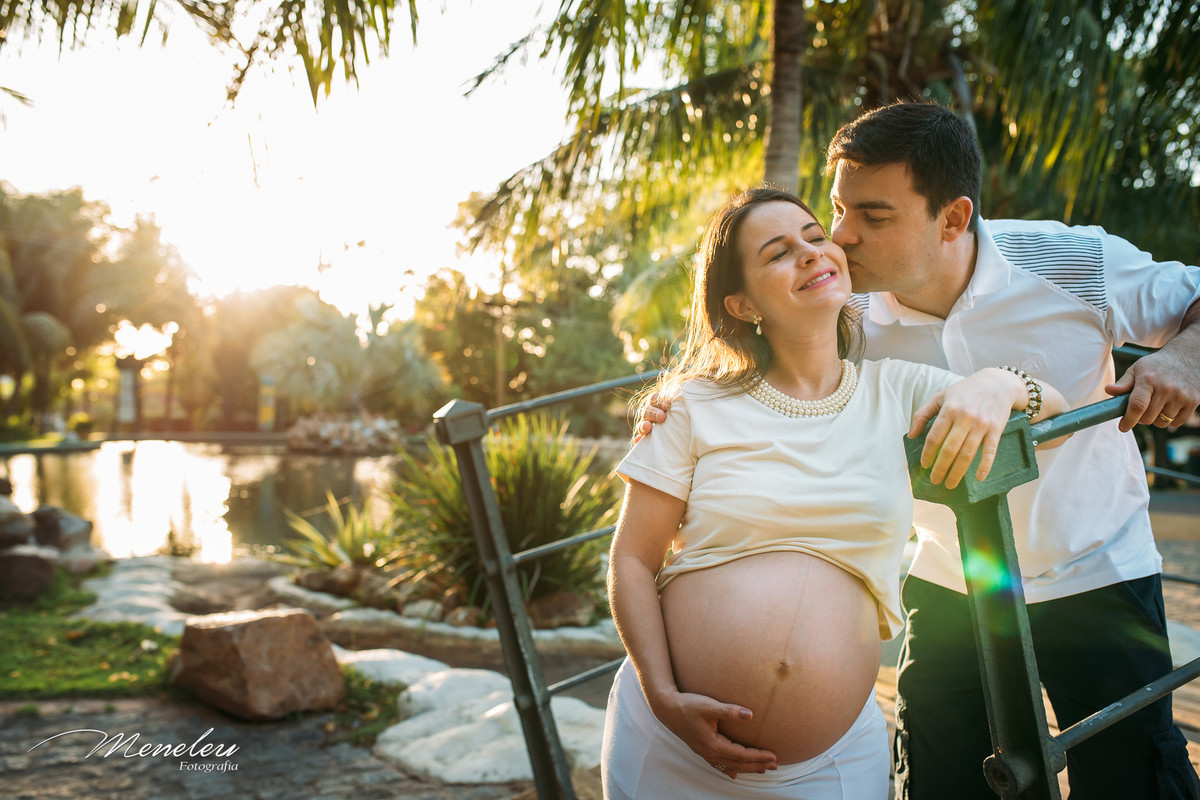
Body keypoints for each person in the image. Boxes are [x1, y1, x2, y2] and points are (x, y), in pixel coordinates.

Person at [641, 100, 1200, 799]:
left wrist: (1186, 356)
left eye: (873, 217)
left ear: (954, 219)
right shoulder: (846, 308)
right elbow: (765, 353)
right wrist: (682, 396)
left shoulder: (1074, 259)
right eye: (839, 209)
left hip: (1098, 570)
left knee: (1136, 781)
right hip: (949, 581)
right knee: (944, 783)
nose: (841, 237)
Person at [602, 187, 1067, 800]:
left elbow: (1054, 419)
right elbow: (632, 558)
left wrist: (996, 382)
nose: (810, 253)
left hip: (831, 764)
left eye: (815, 236)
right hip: (671, 744)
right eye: (777, 253)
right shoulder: (692, 405)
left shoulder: (898, 390)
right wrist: (661, 695)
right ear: (741, 304)